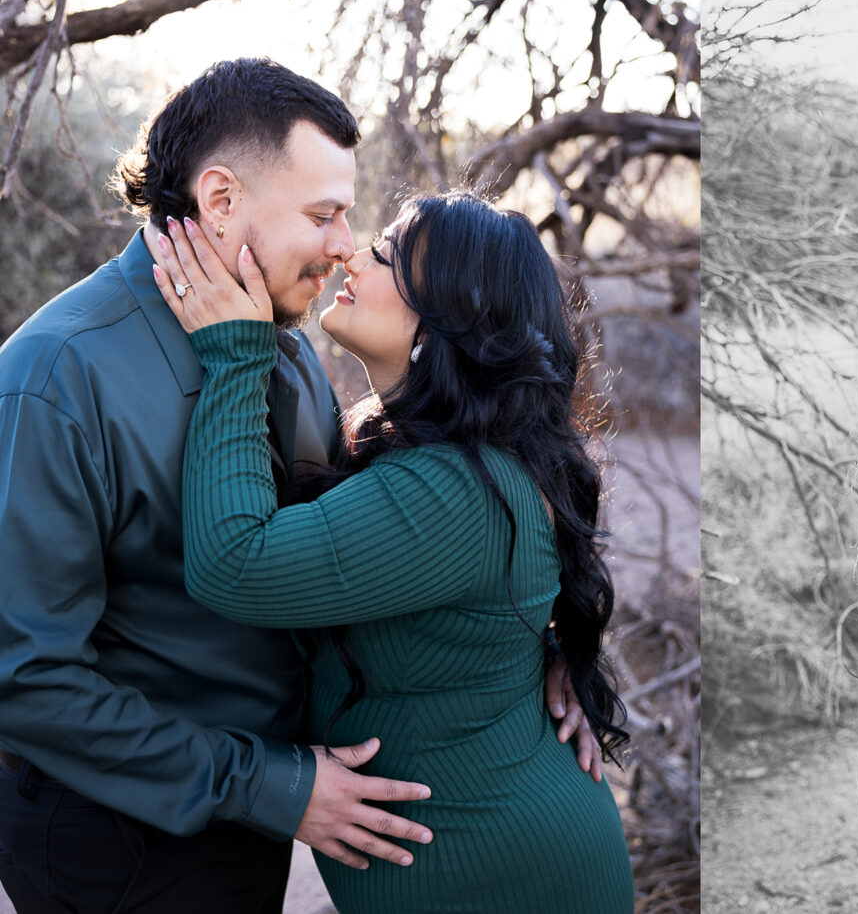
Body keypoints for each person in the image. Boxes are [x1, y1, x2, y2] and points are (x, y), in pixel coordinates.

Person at [0, 58, 591, 914]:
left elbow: (381, 546)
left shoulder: (278, 352)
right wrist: (272, 786)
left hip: (258, 820)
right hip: (123, 839)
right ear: (222, 199)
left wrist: (533, 645)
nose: (345, 244)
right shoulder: (53, 380)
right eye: (324, 215)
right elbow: (22, 679)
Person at [151, 189, 634, 913]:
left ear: (446, 317)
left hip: (514, 882)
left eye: (384, 255)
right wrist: (551, 647)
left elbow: (233, 565)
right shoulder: (447, 457)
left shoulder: (454, 489)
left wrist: (232, 353)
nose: (349, 251)